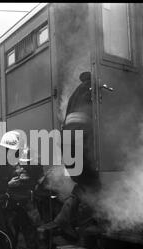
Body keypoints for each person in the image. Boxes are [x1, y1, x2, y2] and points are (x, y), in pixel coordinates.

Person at [40, 71, 100, 239]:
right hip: (80, 140)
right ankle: (86, 228)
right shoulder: (91, 89)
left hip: (68, 143)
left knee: (82, 182)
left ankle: (63, 220)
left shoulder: (76, 92)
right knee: (92, 184)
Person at [4, 144, 44, 249]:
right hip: (12, 209)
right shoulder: (6, 164)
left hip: (28, 208)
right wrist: (8, 184)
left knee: (32, 244)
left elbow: (40, 179)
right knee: (10, 243)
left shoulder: (33, 162)